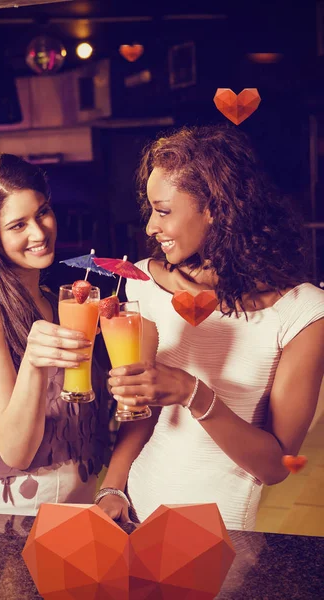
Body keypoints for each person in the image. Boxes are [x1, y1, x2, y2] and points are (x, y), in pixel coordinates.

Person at [97, 124, 324, 531]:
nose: (150, 226)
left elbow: (275, 466)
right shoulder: (147, 284)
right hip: (134, 516)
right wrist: (112, 488)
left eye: (163, 211)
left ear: (215, 209)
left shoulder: (301, 312)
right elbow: (140, 413)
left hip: (219, 538)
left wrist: (193, 393)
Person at [0, 152, 110, 515]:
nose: (39, 232)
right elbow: (16, 451)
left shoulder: (52, 300)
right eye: (18, 225)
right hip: (14, 512)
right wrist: (32, 362)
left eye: (42, 212)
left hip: (79, 499)